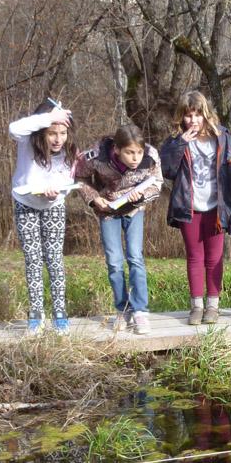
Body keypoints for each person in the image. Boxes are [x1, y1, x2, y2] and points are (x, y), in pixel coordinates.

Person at [159, 90, 231, 325]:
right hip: (189, 207)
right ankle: (196, 306)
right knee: (194, 257)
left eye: (197, 115)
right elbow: (166, 170)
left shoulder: (223, 137)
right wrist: (180, 144)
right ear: (182, 117)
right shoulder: (176, 141)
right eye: (188, 116)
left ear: (206, 114)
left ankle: (213, 306)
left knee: (214, 258)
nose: (193, 120)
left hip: (217, 208)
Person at [74, 123, 163, 335]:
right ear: (117, 150)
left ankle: (140, 311)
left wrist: (141, 196)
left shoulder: (151, 156)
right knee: (114, 261)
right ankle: (122, 309)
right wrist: (94, 198)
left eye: (138, 152)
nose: (135, 158)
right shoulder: (96, 157)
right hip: (108, 211)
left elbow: (157, 183)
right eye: (130, 153)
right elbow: (79, 177)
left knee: (135, 257)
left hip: (134, 210)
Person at [9, 99, 77, 335]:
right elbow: (14, 128)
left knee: (55, 258)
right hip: (25, 202)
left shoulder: (69, 150)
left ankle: (60, 314)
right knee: (33, 258)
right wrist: (50, 117)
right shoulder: (27, 140)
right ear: (42, 132)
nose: (58, 139)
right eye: (52, 133)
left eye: (63, 133)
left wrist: (58, 192)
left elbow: (69, 181)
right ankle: (36, 315)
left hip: (54, 205)